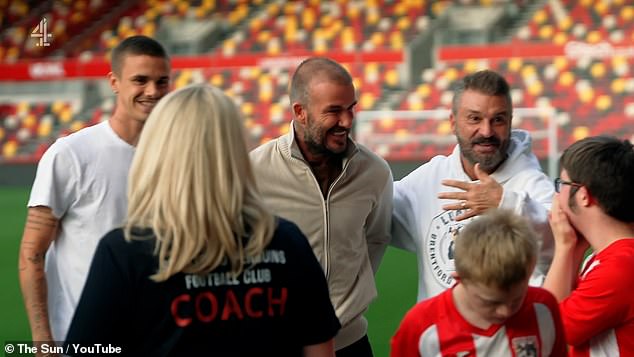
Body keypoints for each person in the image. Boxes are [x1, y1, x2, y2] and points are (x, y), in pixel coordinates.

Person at [63, 84, 340, 356]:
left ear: (156, 151)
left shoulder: (125, 251)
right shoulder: (286, 241)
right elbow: (320, 350)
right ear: (236, 152)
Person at [18, 35, 171, 345]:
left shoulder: (177, 154)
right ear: (114, 82)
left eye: (162, 81)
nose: (152, 91)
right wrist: (42, 341)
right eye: (140, 80)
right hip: (83, 340)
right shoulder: (71, 154)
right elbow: (32, 254)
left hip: (156, 338)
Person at [249, 57, 393, 355]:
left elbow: (376, 237)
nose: (347, 121)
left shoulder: (374, 172)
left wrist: (352, 294)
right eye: (334, 111)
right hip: (278, 343)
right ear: (300, 112)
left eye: (350, 108)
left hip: (351, 344)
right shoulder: (253, 171)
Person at [392, 69, 554, 301]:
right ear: (453, 122)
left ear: (510, 122)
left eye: (498, 120)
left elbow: (560, 240)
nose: (486, 131)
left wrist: (505, 203)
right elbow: (375, 211)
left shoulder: (532, 184)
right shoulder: (430, 177)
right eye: (474, 118)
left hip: (505, 333)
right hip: (440, 335)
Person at [391, 209, 567, 357]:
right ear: (460, 279)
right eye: (491, 302)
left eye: (517, 299)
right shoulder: (421, 326)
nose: (505, 311)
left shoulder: (543, 307)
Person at [543, 136, 634, 356]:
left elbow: (545, 329)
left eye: (562, 184)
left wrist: (564, 246)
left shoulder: (619, 268)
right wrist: (572, 250)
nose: (557, 195)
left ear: (583, 196)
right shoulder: (611, 257)